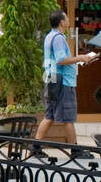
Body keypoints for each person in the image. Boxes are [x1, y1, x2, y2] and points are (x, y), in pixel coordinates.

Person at [35, 9, 99, 143]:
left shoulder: (49, 36)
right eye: (66, 18)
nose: (69, 19)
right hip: (62, 82)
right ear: (62, 22)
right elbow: (61, 60)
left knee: (49, 116)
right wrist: (80, 57)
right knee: (68, 117)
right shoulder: (58, 38)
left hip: (52, 78)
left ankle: (35, 147)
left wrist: (79, 60)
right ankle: (75, 149)